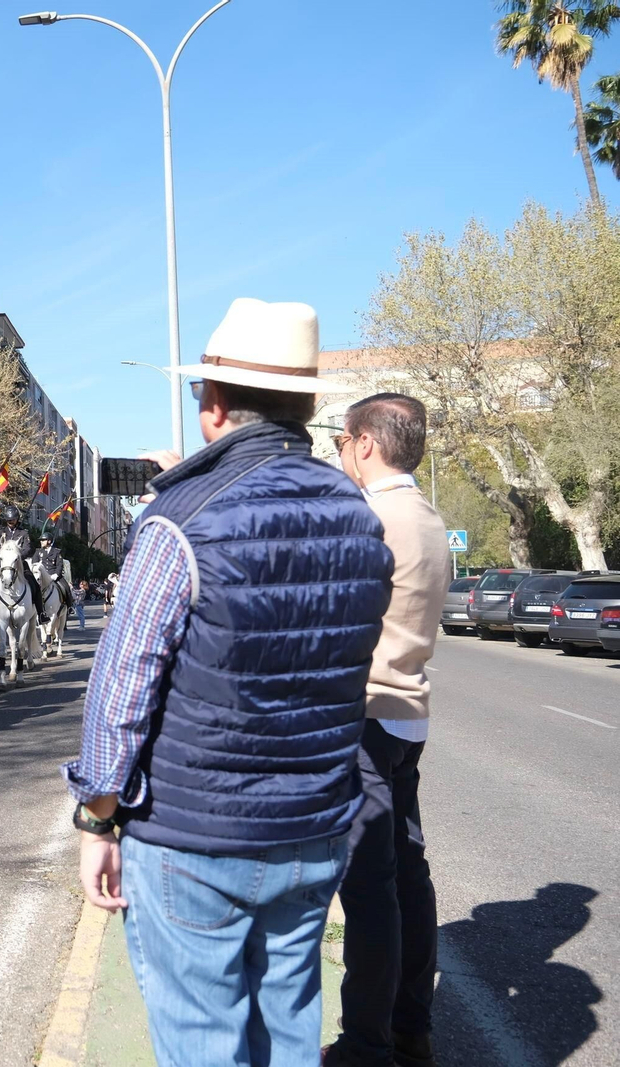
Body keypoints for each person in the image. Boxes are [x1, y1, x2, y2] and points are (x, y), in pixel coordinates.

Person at [63, 297, 392, 1066]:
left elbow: (122, 689)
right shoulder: (358, 513)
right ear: (306, 407)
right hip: (313, 828)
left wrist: (97, 819)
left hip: (192, 837)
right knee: (288, 1032)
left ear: (213, 406)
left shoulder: (180, 517)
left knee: (206, 1044)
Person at [323, 394, 450, 1067]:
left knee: (370, 891)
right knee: (408, 874)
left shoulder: (366, 518)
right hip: (409, 715)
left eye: (341, 440)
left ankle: (366, 1045)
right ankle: (411, 1026)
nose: (340, 452)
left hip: (366, 717)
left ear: (366, 442)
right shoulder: (427, 517)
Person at [0, 505, 44, 609]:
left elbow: (28, 548)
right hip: (3, 564)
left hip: (20, 563)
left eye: (12, 520)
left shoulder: (23, 533)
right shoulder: (1, 532)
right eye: (8, 520)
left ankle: (41, 613)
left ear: (17, 519)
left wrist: (17, 556)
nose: (10, 522)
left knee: (34, 584)